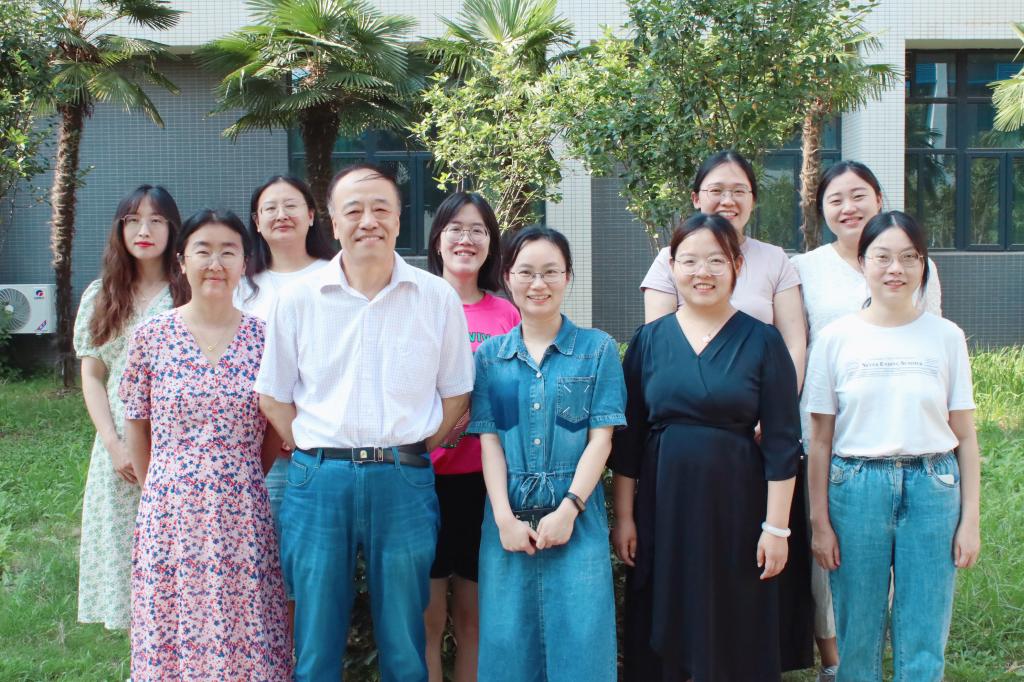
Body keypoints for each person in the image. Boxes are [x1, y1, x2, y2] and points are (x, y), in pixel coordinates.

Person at [255, 163, 475, 682]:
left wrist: (416, 447)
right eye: (353, 210)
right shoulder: (299, 298)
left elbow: (457, 392)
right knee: (315, 643)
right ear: (333, 223)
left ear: (399, 219)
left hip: (403, 480)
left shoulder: (435, 297)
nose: (368, 221)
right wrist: (309, 445)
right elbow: (273, 395)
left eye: (381, 209)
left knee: (405, 642)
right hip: (318, 480)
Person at [634, 150, 814, 671]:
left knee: (737, 601)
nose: (702, 271)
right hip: (668, 485)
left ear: (736, 266)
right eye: (716, 188)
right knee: (669, 603)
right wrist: (625, 515)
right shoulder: (652, 334)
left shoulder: (767, 305)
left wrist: (777, 527)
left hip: (741, 473)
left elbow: (783, 432)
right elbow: (637, 418)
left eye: (716, 261)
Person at [805, 211, 980, 682]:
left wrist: (970, 520)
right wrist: (820, 523)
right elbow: (820, 439)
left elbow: (965, 435)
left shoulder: (946, 337)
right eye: (882, 257)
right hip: (855, 487)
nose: (895, 269)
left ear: (924, 265)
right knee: (858, 630)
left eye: (909, 257)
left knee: (924, 628)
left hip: (933, 486)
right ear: (862, 262)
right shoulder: (834, 339)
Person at [120, 209, 291, 679]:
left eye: (228, 252)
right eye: (203, 251)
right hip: (170, 509)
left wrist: (240, 474)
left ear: (244, 263)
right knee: (173, 621)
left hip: (242, 506)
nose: (215, 263)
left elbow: (273, 427)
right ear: (181, 262)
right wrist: (158, 488)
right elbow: (137, 423)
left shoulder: (265, 338)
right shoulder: (152, 337)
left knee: (243, 621)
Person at [790, 161, 943, 680]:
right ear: (820, 210)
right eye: (835, 199)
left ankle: (902, 656)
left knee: (910, 571)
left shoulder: (916, 264)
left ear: (879, 199)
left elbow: (932, 340)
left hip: (910, 435)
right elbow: (797, 344)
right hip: (834, 433)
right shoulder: (805, 268)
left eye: (859, 195)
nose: (848, 207)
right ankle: (839, 664)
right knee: (834, 563)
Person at [468, 226, 626, 682]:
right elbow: (491, 442)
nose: (538, 284)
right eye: (526, 272)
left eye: (551, 272)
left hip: (577, 516)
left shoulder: (596, 349)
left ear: (568, 277)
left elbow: (601, 440)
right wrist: (503, 518)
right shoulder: (491, 357)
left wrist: (569, 508)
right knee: (507, 647)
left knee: (582, 647)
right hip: (507, 519)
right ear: (508, 277)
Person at [74, 185, 186, 631]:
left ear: (172, 229)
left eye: (156, 221)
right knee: (125, 557)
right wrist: (114, 444)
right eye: (134, 220)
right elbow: (92, 375)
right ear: (120, 229)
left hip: (177, 446)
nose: (144, 230)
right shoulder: (101, 294)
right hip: (118, 449)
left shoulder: (187, 291)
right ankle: (142, 657)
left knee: (177, 559)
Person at [423, 193, 520, 682]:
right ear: (437, 240)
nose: (466, 238)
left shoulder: (506, 314)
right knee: (426, 618)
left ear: (491, 243)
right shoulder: (415, 302)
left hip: (485, 485)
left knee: (474, 619)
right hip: (421, 480)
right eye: (455, 228)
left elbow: (515, 399)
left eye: (478, 229)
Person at [235, 175, 336, 610]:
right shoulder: (242, 286)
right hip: (256, 448)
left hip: (320, 447)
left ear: (311, 215)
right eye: (270, 208)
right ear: (256, 222)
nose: (281, 215)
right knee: (263, 569)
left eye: (291, 205)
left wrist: (298, 432)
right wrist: (278, 431)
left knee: (310, 573)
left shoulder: (336, 276)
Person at [640, 150, 806, 385]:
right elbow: (659, 347)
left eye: (739, 191)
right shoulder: (671, 260)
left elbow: (793, 345)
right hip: (683, 396)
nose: (728, 201)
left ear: (753, 200)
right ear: (696, 198)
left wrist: (781, 401)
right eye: (716, 191)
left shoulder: (775, 259)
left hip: (760, 397)